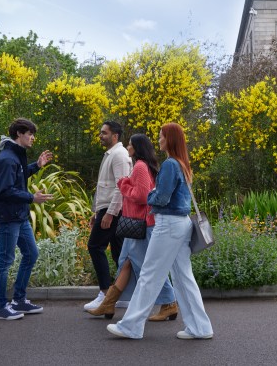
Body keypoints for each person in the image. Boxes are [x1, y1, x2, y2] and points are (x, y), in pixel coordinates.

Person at [107, 123, 213, 340]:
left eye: (162, 136)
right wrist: (155, 193)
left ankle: (131, 326)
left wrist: (150, 196)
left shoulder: (170, 165)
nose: (159, 139)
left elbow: (161, 198)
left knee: (148, 274)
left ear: (170, 139)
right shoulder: (181, 164)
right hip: (180, 224)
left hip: (168, 225)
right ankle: (200, 328)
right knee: (183, 277)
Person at [86, 133, 178, 320]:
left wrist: (123, 185)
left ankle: (169, 302)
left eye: (130, 145)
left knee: (144, 266)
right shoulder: (142, 166)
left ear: (137, 147)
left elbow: (143, 196)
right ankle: (109, 304)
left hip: (140, 225)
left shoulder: (140, 167)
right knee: (127, 263)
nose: (127, 147)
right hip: (136, 224)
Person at [0, 118, 54, 320]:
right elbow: (5, 190)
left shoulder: (15, 156)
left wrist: (37, 165)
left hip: (19, 215)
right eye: (30, 134)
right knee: (5, 260)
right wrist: (32, 198)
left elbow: (18, 177)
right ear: (19, 134)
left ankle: (18, 300)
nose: (33, 138)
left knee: (31, 254)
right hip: (9, 216)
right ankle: (0, 306)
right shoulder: (8, 158)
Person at [83, 121, 132, 313]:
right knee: (119, 253)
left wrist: (109, 213)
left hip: (114, 210)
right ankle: (122, 296)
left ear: (115, 136)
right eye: (100, 133)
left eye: (104, 133)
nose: (100, 135)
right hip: (109, 209)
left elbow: (122, 188)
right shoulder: (112, 154)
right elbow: (106, 186)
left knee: (95, 246)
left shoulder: (119, 155)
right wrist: (98, 212)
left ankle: (105, 293)